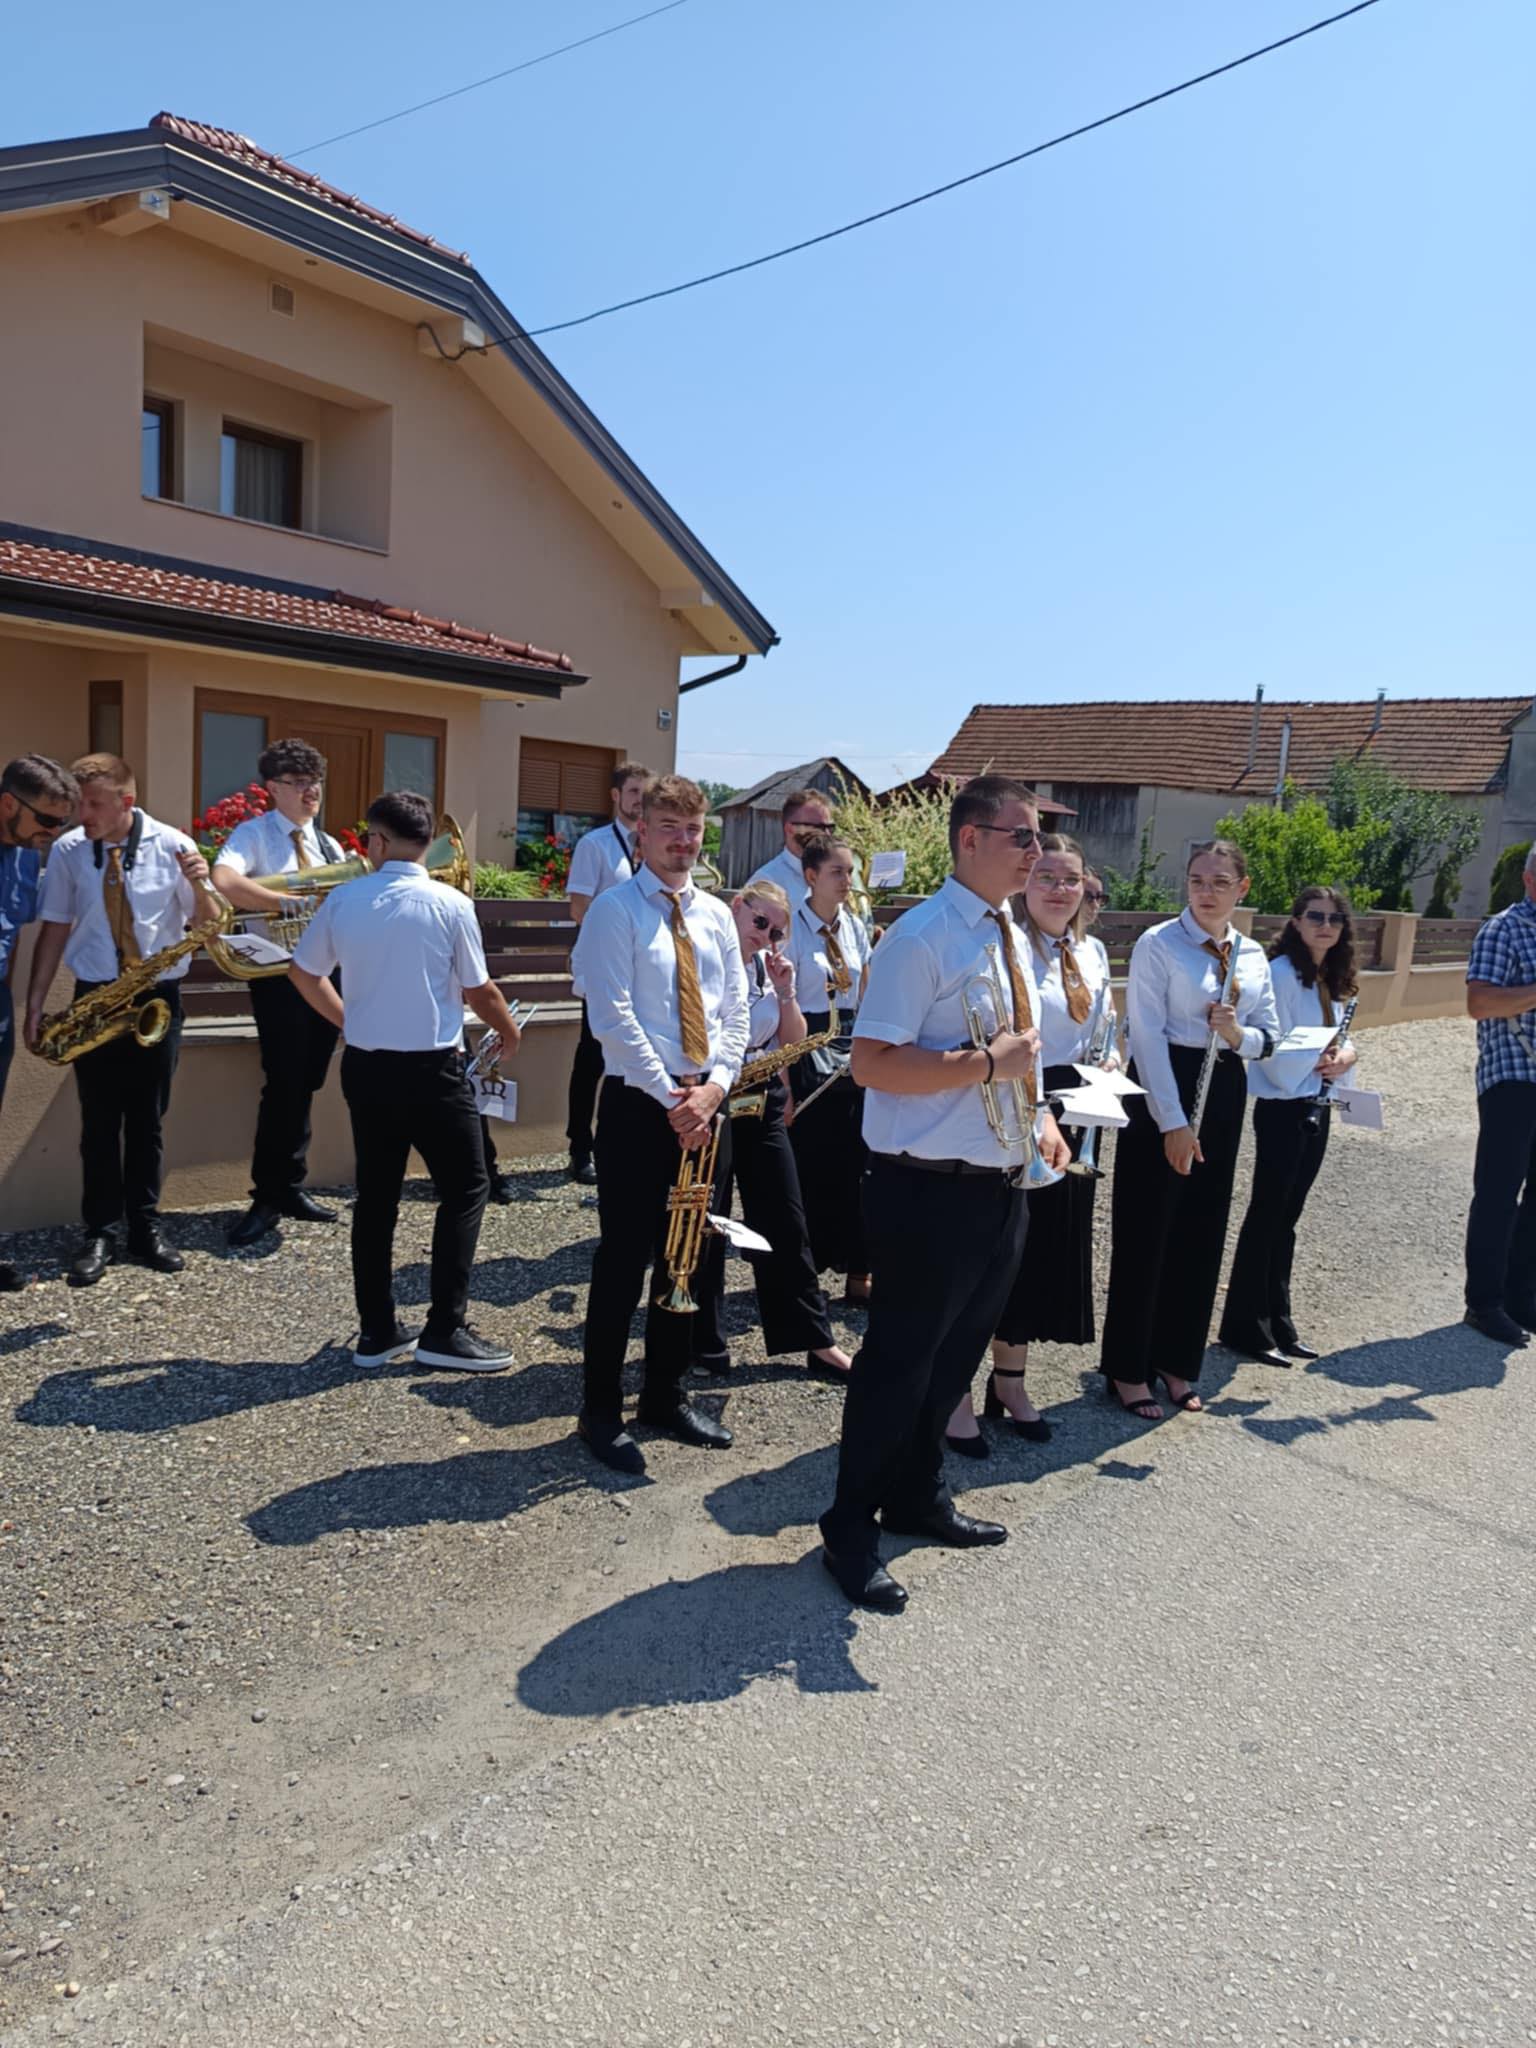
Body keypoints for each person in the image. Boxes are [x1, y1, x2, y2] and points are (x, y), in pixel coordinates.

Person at [819, 775, 1071, 1615]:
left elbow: (1020, 1054)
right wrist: (989, 1067)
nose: (1037, 853)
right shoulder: (921, 937)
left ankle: (917, 1498)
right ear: (970, 839)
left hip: (999, 1184)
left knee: (955, 1359)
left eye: (1038, 840)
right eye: (1023, 837)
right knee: (896, 1367)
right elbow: (872, 1062)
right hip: (924, 1192)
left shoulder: (1007, 931)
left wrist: (1036, 1119)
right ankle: (849, 1531)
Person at [289, 790, 523, 1371]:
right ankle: (445, 1328)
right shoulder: (450, 903)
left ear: (376, 841)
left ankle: (377, 1332)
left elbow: (302, 973)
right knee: (467, 1188)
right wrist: (510, 1033)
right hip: (433, 1068)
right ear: (424, 844)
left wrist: (351, 1019)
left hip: (367, 1065)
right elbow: (480, 989)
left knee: (377, 1198)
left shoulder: (344, 898)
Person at [573, 773, 750, 1475]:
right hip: (640, 1106)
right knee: (625, 1258)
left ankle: (665, 1394)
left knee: (692, 1256)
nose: (683, 843)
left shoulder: (712, 914)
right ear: (640, 831)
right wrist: (673, 1098)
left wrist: (713, 1090)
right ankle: (599, 1408)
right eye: (669, 829)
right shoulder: (614, 911)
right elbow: (610, 1017)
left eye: (693, 831)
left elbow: (737, 1008)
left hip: (706, 1103)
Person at [1099, 839, 1279, 1420]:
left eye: (1221, 883)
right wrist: (1171, 1123)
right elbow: (1145, 1036)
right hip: (1165, 1081)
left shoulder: (1251, 955)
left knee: (1202, 1230)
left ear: (1242, 889)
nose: (1207, 892)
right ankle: (1128, 1369)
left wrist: (1236, 1035)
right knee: (1147, 1229)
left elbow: (1268, 1036)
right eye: (1199, 880)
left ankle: (1178, 1362)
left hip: (1224, 1083)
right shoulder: (1160, 944)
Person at [945, 833, 1112, 1453]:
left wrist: (1112, 1058)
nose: (1058, 890)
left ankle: (1009, 1383)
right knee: (991, 1261)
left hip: (1078, 1108)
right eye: (1045, 877)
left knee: (1038, 1262)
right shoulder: (1006, 945)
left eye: (1070, 880)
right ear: (1025, 883)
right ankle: (954, 1393)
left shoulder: (1091, 952)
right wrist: (1039, 1107)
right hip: (1016, 1105)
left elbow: (1102, 1023)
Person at [25, 754, 214, 1286]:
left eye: (93, 804)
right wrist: (37, 1003)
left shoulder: (175, 845)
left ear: (126, 802)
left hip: (156, 996)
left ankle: (146, 1227)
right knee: (99, 1121)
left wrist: (201, 883)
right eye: (80, 802)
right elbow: (55, 929)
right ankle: (101, 1230)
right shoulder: (68, 850)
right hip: (97, 998)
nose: (81, 814)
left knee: (148, 1121)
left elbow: (209, 924)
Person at [693, 880, 854, 1379]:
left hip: (761, 1092)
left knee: (786, 1217)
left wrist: (786, 990)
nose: (765, 936)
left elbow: (793, 1039)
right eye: (759, 922)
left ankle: (813, 1339)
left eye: (777, 931)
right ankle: (703, 1344)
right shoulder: (707, 960)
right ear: (736, 909)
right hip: (714, 1092)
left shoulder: (766, 966)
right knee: (710, 1221)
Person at [211, 739, 346, 1247]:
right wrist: (281, 901)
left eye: (315, 782)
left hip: (324, 973)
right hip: (279, 977)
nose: (310, 791)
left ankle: (289, 1186)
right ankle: (266, 1195)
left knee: (307, 1082)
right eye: (297, 783)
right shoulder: (255, 834)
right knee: (284, 1083)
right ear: (272, 789)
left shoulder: (330, 847)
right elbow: (224, 880)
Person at [1220, 888, 1359, 1366]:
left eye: (1335, 918)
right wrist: (1312, 1059)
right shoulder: (1279, 974)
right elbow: (1269, 1043)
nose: (1325, 925)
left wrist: (1347, 1057)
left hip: (1316, 1104)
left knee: (1289, 1218)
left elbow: (1344, 1040)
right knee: (1267, 1213)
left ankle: (1279, 1320)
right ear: (1296, 922)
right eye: (1315, 916)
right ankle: (1246, 1327)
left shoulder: (1332, 976)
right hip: (1283, 1104)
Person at [0, 753, 79, 1290]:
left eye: (61, 824)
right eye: (46, 821)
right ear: (8, 803)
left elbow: (11, 942)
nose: (52, 833)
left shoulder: (26, 856)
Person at [785, 833, 874, 1302]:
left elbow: (864, 988)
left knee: (858, 1162)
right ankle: (808, 1269)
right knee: (812, 1164)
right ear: (811, 876)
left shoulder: (855, 926)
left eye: (851, 871)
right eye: (838, 871)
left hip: (853, 1043)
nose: (847, 880)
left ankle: (859, 1268)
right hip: (808, 1045)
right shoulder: (792, 929)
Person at [564, 762, 653, 1185]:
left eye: (646, 792)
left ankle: (627, 1143)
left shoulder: (655, 843)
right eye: (634, 791)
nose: (640, 799)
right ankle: (580, 1147)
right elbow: (578, 908)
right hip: (606, 964)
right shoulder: (595, 844)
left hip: (646, 969)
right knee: (593, 1058)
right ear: (616, 796)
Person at [1462, 846, 1536, 1344]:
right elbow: (1480, 1001)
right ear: (1530, 879)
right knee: (1498, 1192)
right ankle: (1483, 1302)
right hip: (1512, 1078)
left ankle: (1519, 1295)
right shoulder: (1504, 928)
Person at [747, 788, 835, 910]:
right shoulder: (767, 881)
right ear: (790, 829)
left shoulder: (834, 876)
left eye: (830, 827)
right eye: (818, 827)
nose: (827, 835)